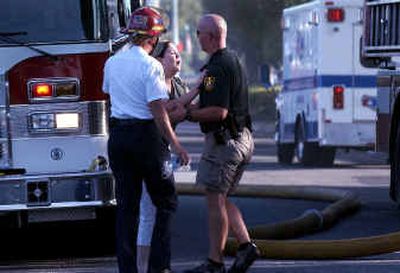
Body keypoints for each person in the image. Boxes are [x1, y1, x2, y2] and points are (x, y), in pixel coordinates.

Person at [102, 7, 189, 273]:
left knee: (127, 208)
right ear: (152, 37)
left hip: (118, 138)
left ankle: (127, 269)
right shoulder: (151, 65)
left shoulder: (112, 62)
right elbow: (158, 110)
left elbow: (108, 94)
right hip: (146, 138)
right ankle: (159, 267)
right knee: (166, 201)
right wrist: (176, 144)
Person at [184, 14, 259, 273]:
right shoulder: (230, 61)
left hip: (224, 143)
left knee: (214, 200)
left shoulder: (217, 69)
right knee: (221, 197)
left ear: (212, 36)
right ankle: (246, 246)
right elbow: (209, 98)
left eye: (199, 33)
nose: (197, 37)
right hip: (241, 139)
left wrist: (186, 114)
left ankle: (215, 262)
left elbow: (218, 112)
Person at [137, 40, 200, 273]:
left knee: (162, 207)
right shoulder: (153, 81)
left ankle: (160, 263)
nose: (178, 57)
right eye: (172, 53)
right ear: (159, 59)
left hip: (164, 151)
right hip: (147, 149)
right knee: (147, 211)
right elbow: (167, 109)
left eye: (178, 53)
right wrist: (194, 92)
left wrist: (186, 105)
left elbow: (184, 109)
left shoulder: (179, 83)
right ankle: (143, 265)